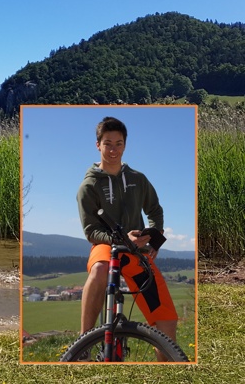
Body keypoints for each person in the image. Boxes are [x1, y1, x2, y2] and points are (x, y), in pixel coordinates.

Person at [76, 116, 178, 360]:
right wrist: (119, 239)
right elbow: (91, 231)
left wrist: (154, 240)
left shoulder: (137, 179)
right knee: (100, 269)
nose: (113, 150)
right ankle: (83, 346)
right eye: (108, 143)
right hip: (105, 247)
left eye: (118, 143)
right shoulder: (88, 186)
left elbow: (155, 211)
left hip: (136, 253)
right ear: (97, 145)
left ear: (125, 145)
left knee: (167, 327)